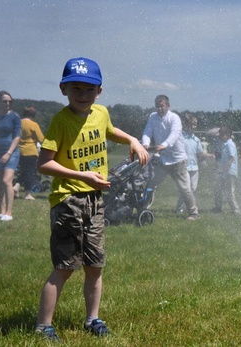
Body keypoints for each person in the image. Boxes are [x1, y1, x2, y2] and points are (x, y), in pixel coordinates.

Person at [34, 57, 149, 342]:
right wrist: (83, 176)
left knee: (95, 265)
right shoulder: (60, 121)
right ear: (64, 89)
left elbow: (110, 131)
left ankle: (92, 319)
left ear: (99, 91)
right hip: (68, 200)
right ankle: (43, 325)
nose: (83, 95)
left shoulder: (101, 113)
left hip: (95, 201)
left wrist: (133, 140)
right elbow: (44, 163)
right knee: (64, 267)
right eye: (76, 89)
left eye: (89, 89)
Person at [141, 95, 199, 220]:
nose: (159, 108)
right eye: (157, 106)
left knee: (185, 189)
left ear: (168, 106)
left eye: (162, 106)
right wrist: (145, 143)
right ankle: (143, 208)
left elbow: (174, 134)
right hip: (163, 159)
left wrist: (164, 145)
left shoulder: (174, 118)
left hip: (178, 160)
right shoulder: (153, 117)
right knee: (151, 184)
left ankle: (193, 212)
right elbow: (147, 131)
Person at [175, 113, 214, 213]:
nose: (193, 127)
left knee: (193, 188)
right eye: (191, 124)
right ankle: (180, 208)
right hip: (184, 167)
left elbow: (200, 153)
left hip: (194, 167)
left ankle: (189, 207)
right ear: (186, 125)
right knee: (186, 189)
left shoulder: (196, 139)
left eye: (195, 125)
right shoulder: (181, 137)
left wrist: (209, 155)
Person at [0, 90, 21, 222]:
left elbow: (17, 137)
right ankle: (2, 211)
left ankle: (9, 213)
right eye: (4, 101)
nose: (7, 104)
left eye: (9, 101)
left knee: (6, 181)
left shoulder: (14, 117)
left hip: (12, 152)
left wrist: (9, 153)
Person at [14, 106, 44, 200]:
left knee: (23, 171)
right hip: (30, 151)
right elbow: (41, 138)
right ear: (33, 115)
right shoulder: (33, 124)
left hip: (19, 151)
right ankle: (27, 194)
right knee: (30, 173)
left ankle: (16, 187)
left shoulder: (18, 123)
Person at [213, 126, 240, 214]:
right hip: (224, 172)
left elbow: (232, 158)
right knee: (218, 189)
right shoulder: (225, 144)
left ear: (227, 135)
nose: (219, 136)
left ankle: (236, 209)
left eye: (221, 135)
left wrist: (222, 169)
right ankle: (218, 207)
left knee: (230, 192)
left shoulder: (230, 144)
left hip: (229, 172)